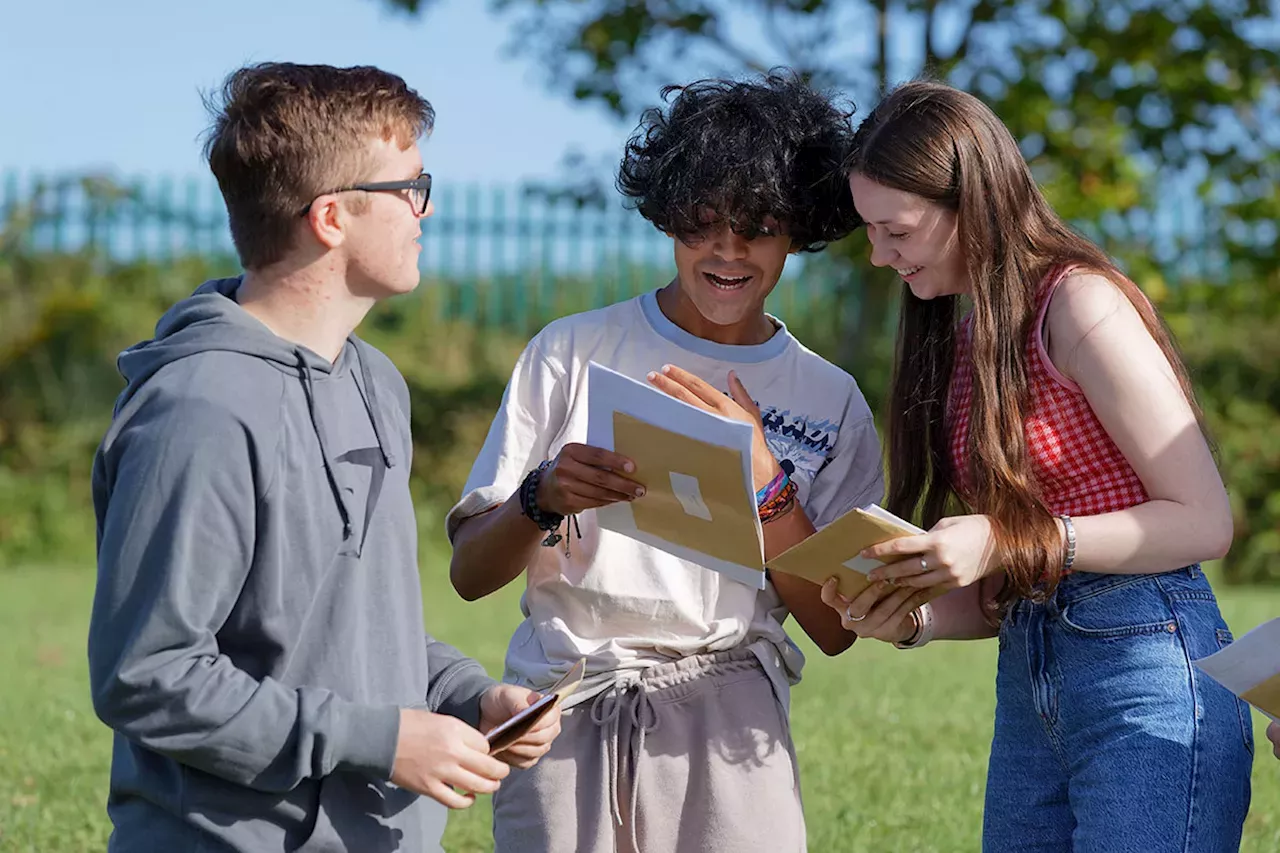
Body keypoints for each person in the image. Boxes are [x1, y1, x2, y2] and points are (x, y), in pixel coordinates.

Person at [87, 62, 558, 853]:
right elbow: (148, 675)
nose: (427, 207)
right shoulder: (198, 409)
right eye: (410, 185)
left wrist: (467, 697)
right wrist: (380, 739)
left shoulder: (375, 381)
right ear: (332, 217)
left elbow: (357, 630)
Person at [446, 72, 882, 852]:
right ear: (666, 218)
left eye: (758, 225)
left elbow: (837, 626)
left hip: (732, 723)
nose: (727, 249)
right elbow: (470, 573)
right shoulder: (572, 351)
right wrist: (540, 497)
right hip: (569, 703)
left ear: (800, 229)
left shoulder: (829, 397)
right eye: (700, 222)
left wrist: (767, 483)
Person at [823, 80, 1253, 852]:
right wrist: (911, 615)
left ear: (973, 204)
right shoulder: (965, 343)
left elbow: (1203, 520)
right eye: (870, 232)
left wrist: (1005, 538)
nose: (881, 255)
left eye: (896, 231)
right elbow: (1000, 590)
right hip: (1033, 675)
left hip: (1146, 668)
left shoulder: (1080, 304)